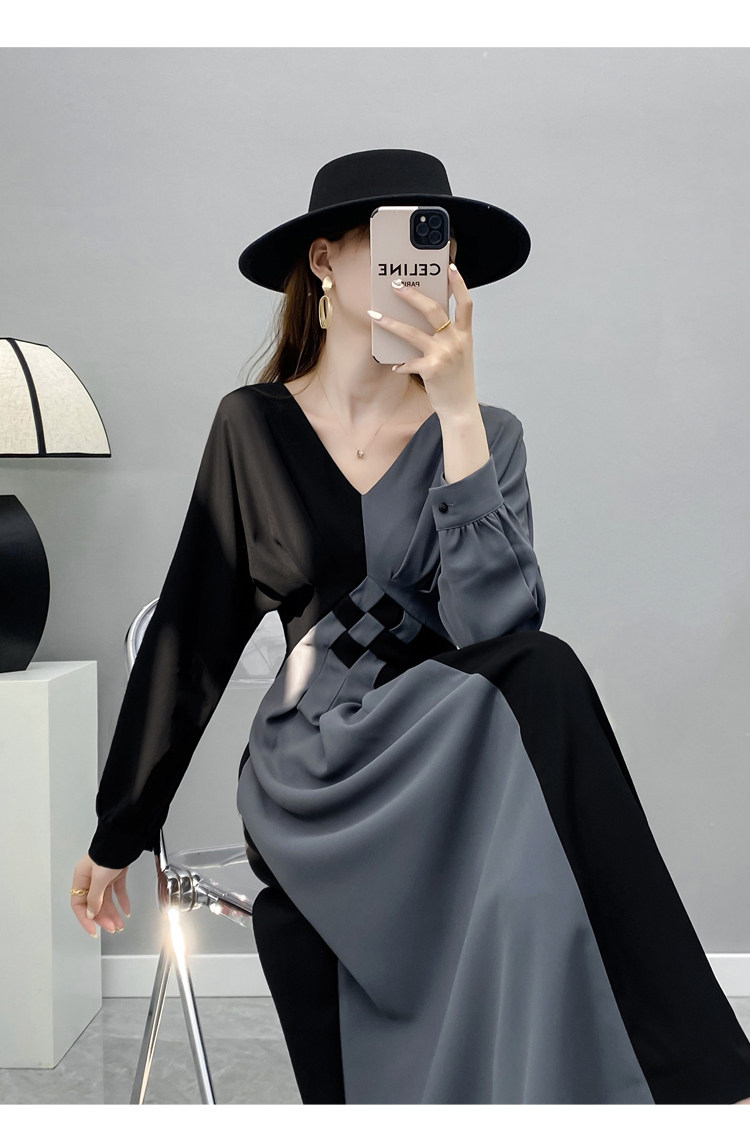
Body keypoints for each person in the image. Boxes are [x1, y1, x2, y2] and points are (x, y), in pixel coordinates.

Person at [70, 148, 750, 1106]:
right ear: (324, 261)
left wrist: (458, 414)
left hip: (449, 746)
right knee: (541, 699)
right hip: (316, 763)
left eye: (439, 249)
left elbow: (495, 632)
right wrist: (119, 831)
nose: (421, 268)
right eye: (395, 243)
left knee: (542, 686)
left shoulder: (489, 433)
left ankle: (664, 1080)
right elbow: (193, 633)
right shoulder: (253, 428)